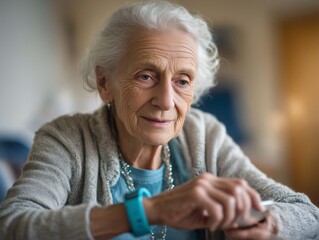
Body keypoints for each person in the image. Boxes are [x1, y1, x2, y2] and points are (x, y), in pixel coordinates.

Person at [0, 1, 318, 240]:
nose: (166, 101)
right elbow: (13, 224)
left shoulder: (203, 134)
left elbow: (307, 213)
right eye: (146, 76)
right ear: (104, 83)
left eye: (182, 81)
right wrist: (150, 211)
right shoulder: (66, 138)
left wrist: (270, 224)